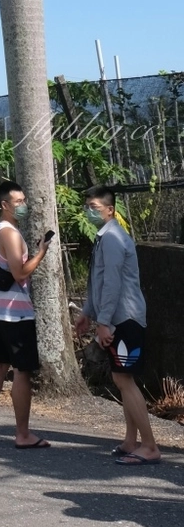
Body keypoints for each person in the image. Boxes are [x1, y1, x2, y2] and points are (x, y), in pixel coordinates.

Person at [74, 186, 160, 465]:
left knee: (124, 379)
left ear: (110, 210)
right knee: (122, 379)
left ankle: (149, 445)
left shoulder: (111, 238)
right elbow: (97, 281)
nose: (90, 211)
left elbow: (112, 284)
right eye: (87, 206)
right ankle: (130, 440)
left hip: (125, 318)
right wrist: (88, 312)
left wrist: (104, 323)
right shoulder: (105, 237)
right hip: (118, 317)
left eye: (95, 207)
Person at [0, 180, 52, 449]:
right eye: (18, 202)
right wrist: (41, 253)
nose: (23, 206)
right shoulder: (11, 233)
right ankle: (23, 433)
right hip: (14, 313)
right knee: (22, 371)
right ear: (4, 205)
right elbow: (20, 273)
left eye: (24, 201)